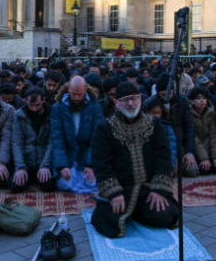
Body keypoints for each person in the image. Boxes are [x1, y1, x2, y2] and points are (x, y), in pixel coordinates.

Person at [90, 82, 178, 239]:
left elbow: (163, 156)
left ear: (140, 99)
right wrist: (114, 193)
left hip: (147, 188)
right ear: (116, 103)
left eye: (134, 98)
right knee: (111, 224)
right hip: (120, 190)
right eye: (125, 100)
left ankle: (137, 211)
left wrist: (158, 190)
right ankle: (125, 210)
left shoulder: (154, 123)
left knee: (168, 216)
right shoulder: (105, 127)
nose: (130, 103)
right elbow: (101, 162)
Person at [50, 76, 104, 193]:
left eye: (80, 94)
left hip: (86, 155)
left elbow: (97, 138)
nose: (76, 98)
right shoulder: (58, 108)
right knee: (64, 183)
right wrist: (63, 166)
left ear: (85, 90)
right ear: (68, 89)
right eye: (73, 94)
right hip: (69, 155)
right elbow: (57, 139)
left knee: (94, 181)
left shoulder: (95, 107)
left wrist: (90, 164)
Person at [10, 87, 56, 193]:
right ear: (26, 100)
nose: (34, 109)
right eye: (31, 105)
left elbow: (51, 142)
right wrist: (20, 167)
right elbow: (17, 142)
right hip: (27, 162)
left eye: (37, 105)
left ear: (43, 100)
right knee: (15, 186)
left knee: (48, 186)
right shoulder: (18, 115)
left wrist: (45, 165)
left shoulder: (52, 114)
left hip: (44, 160)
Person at [154, 73, 198, 177]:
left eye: (169, 94)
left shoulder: (182, 100)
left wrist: (189, 152)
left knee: (192, 171)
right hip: (162, 148)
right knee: (170, 173)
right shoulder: (151, 103)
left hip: (180, 144)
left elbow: (189, 126)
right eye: (163, 95)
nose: (166, 97)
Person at [188, 88, 216, 175]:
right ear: (192, 101)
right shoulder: (188, 114)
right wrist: (204, 158)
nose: (202, 101)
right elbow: (194, 138)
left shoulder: (211, 113)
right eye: (198, 98)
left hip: (208, 147)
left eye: (204, 98)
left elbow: (214, 136)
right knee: (204, 170)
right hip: (194, 149)